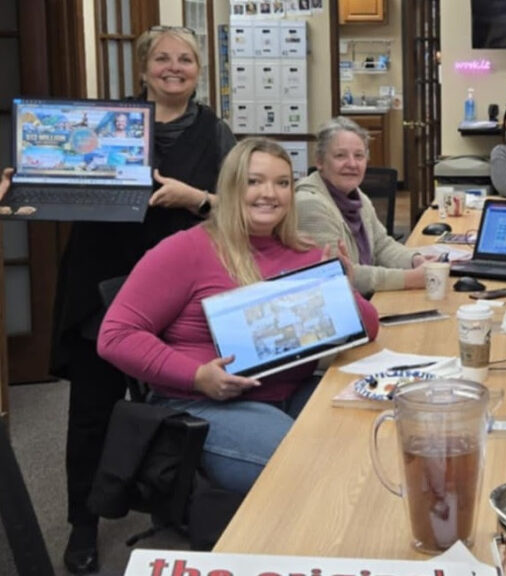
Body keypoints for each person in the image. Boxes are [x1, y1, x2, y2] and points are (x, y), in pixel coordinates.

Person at [49, 26, 235, 574]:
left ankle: (180, 504)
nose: (173, 68)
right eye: (162, 58)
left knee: (185, 399)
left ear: (199, 72)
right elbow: (62, 176)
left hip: (183, 291)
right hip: (101, 280)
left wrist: (192, 197)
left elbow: (241, 206)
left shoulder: (216, 132)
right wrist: (26, 179)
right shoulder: (112, 123)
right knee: (90, 410)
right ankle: (83, 523)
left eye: (185, 60)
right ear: (143, 67)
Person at [98, 138, 379, 495]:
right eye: (254, 181)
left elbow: (368, 328)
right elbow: (116, 336)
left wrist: (345, 288)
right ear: (231, 187)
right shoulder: (185, 250)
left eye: (282, 183)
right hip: (205, 402)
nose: (270, 193)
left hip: (290, 391)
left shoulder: (304, 250)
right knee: (313, 470)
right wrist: (198, 376)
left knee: (374, 439)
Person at [295, 117, 428, 295]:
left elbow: (382, 245)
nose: (352, 164)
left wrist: (415, 260)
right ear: (320, 161)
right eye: (340, 155)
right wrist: (410, 279)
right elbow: (341, 273)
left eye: (359, 156)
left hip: (363, 300)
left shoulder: (358, 197)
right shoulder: (309, 204)